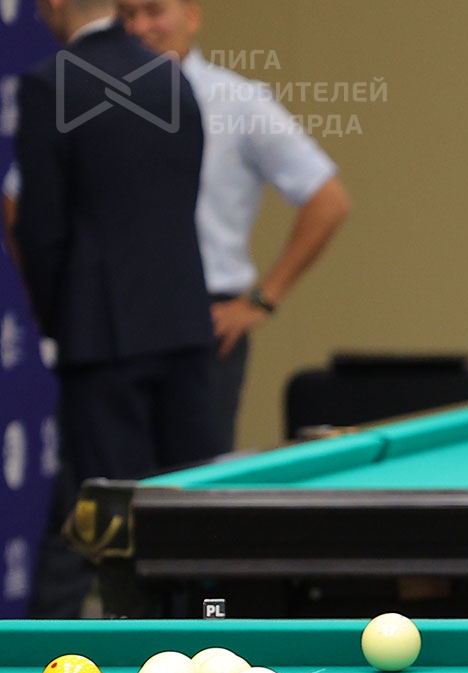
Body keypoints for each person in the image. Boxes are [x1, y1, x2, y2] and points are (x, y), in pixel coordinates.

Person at [14, 0, 213, 616]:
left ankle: (140, 650)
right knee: (190, 512)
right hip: (185, 322)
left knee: (115, 525)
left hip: (101, 334)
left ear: (54, 5)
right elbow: (184, 192)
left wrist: (58, 318)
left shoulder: (50, 83)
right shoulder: (171, 77)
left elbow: (41, 226)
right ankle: (204, 641)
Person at [116, 0, 351, 455]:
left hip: (208, 324)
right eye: (127, 14)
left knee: (194, 478)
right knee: (106, 479)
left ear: (191, 15)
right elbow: (20, 199)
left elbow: (328, 200)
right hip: (115, 320)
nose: (141, 26)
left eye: (154, 10)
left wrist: (263, 299)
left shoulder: (239, 102)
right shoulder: (93, 98)